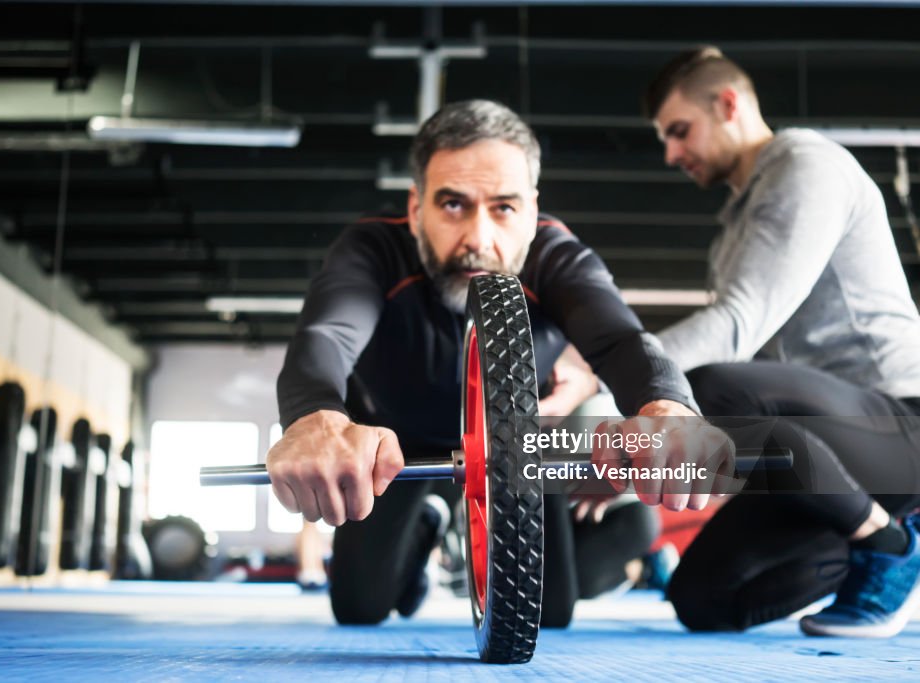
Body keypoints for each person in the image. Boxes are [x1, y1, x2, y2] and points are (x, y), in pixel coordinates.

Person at [266, 99, 725, 627]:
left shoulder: (556, 255)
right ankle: (430, 521)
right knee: (360, 607)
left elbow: (622, 340)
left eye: (503, 208)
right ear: (416, 209)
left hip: (512, 441)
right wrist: (315, 419)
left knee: (550, 613)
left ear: (532, 209)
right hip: (396, 449)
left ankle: (453, 520)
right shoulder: (372, 249)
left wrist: (669, 408)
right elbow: (326, 335)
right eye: (454, 205)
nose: (479, 240)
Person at [645, 46, 920, 637]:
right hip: (828, 459)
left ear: (727, 104)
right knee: (702, 600)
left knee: (712, 382)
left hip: (900, 424)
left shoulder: (806, 165)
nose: (671, 153)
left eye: (679, 131)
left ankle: (892, 547)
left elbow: (737, 328)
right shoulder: (730, 235)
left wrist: (602, 376)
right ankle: (896, 542)